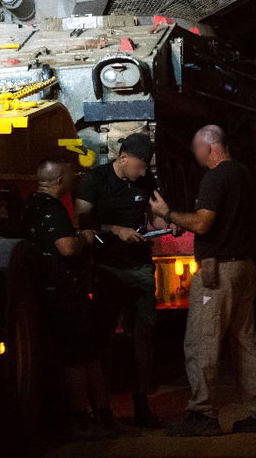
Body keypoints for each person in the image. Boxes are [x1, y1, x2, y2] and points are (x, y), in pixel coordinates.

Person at [149, 124, 256, 437]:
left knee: (201, 344)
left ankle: (203, 415)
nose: (195, 155)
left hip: (217, 272)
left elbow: (204, 223)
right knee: (246, 343)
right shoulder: (245, 175)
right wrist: (253, 260)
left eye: (196, 148)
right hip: (244, 269)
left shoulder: (215, 177)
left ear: (209, 147)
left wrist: (169, 215)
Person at [74, 132, 165, 429]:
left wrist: (168, 221)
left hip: (139, 268)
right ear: (123, 158)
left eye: (146, 168)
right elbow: (83, 221)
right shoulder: (95, 179)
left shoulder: (146, 181)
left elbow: (155, 216)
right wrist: (116, 229)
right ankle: (103, 410)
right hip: (108, 269)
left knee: (142, 337)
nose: (142, 172)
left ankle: (142, 406)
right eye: (139, 166)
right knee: (104, 340)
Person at [21, 159, 115, 440]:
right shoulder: (54, 209)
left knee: (75, 354)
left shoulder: (29, 206)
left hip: (44, 290)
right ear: (60, 179)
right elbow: (66, 248)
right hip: (66, 293)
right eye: (72, 176)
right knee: (80, 356)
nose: (75, 180)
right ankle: (88, 418)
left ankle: (92, 415)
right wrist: (84, 238)